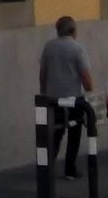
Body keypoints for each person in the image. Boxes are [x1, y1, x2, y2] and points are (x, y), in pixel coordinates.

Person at [38, 15, 94, 178]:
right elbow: (85, 75)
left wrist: (44, 92)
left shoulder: (49, 47)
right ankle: (70, 169)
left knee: (56, 133)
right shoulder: (77, 48)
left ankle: (48, 168)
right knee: (74, 132)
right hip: (74, 98)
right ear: (73, 31)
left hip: (53, 97)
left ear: (58, 31)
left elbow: (42, 73)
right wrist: (90, 92)